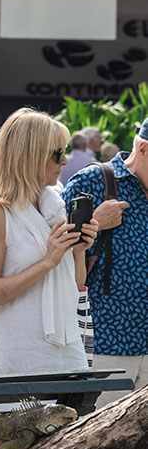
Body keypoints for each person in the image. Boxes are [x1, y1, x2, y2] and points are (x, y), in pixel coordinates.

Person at [0, 108, 98, 377]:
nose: (64, 162)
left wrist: (78, 251)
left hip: (64, 352)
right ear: (31, 156)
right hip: (16, 354)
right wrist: (48, 261)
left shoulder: (55, 205)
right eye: (57, 154)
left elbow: (75, 287)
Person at [61, 120, 148, 407]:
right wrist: (96, 222)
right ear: (144, 148)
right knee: (94, 445)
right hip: (104, 345)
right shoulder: (93, 181)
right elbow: (53, 254)